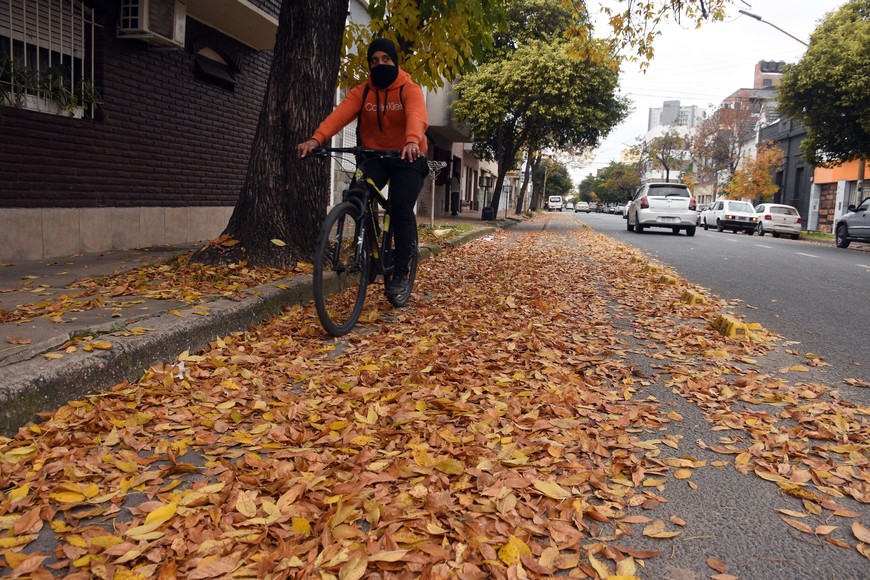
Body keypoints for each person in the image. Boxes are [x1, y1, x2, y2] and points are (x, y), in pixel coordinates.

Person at [297, 38, 429, 297]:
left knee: (400, 207)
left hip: (409, 157)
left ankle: (400, 272)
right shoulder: (363, 92)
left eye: (385, 59)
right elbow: (339, 115)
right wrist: (316, 139)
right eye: (374, 61)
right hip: (375, 156)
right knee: (356, 194)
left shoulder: (409, 89)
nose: (380, 64)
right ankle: (369, 253)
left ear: (395, 61)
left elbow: (417, 115)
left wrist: (412, 140)